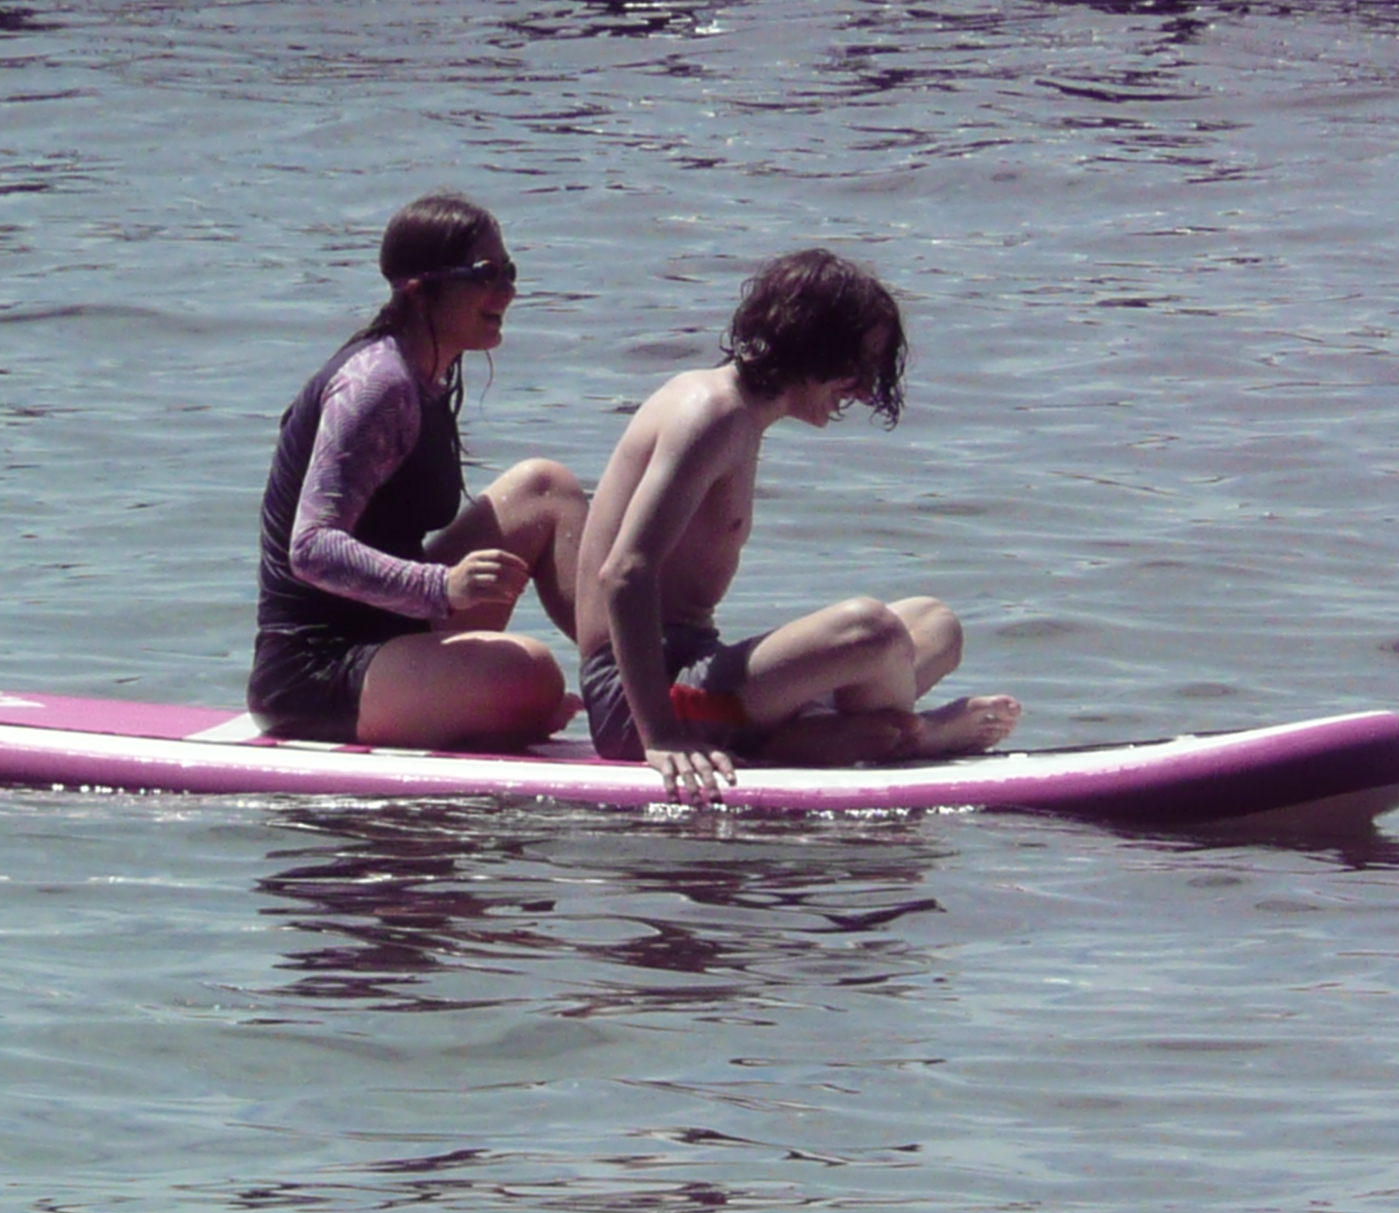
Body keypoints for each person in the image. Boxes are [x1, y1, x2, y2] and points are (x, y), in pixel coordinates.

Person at [574, 249, 1020, 801]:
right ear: (811, 344)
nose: (863, 390)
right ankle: (909, 737)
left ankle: (813, 734)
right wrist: (660, 737)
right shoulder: (712, 414)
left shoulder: (737, 414)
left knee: (935, 625)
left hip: (697, 671)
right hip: (642, 700)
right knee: (873, 632)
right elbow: (624, 572)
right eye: (857, 367)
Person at [250, 194, 587, 750]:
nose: (507, 291)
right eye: (486, 273)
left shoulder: (427, 373)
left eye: (509, 272)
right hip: (318, 669)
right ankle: (512, 706)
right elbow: (309, 548)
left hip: (395, 629)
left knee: (544, 489)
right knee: (530, 673)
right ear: (418, 288)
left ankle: (632, 683)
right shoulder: (376, 386)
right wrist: (441, 586)